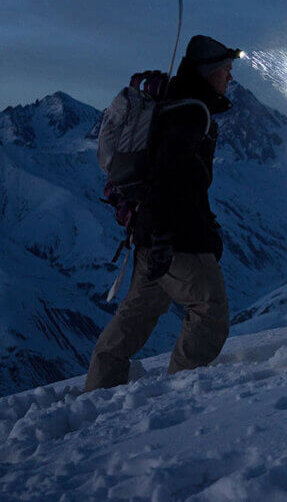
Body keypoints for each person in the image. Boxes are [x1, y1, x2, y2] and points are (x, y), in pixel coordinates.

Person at [85, 35, 240, 391]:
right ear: (208, 71)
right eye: (226, 70)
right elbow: (169, 175)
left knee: (136, 315)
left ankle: (97, 391)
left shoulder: (178, 105)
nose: (230, 78)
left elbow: (175, 178)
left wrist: (156, 233)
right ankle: (180, 394)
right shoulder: (190, 112)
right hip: (174, 238)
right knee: (209, 309)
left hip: (149, 234)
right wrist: (166, 236)